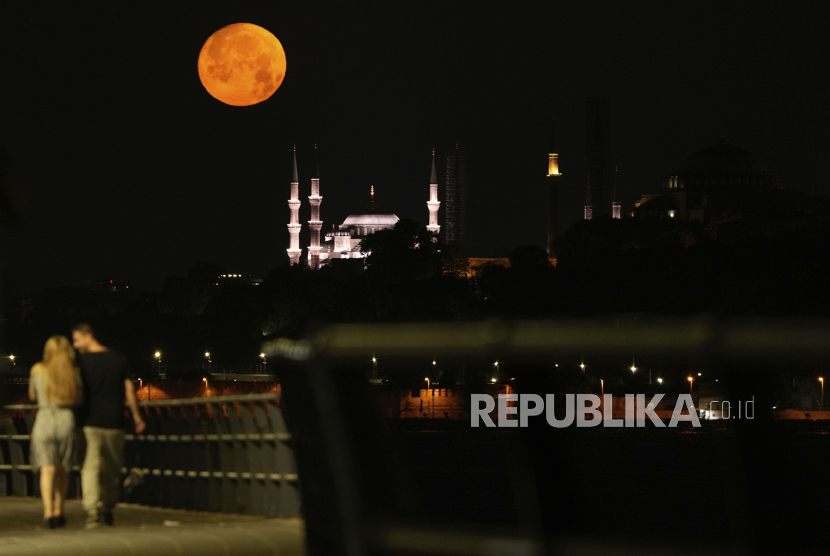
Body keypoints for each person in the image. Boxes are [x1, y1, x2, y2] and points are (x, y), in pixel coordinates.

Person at [71, 323, 145, 529]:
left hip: (88, 423)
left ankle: (93, 512)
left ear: (88, 336)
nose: (75, 345)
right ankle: (108, 507)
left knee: (90, 468)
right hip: (114, 422)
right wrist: (137, 416)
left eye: (77, 339)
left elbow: (77, 392)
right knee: (113, 468)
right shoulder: (118, 358)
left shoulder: (81, 362)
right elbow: (129, 390)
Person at [29, 336, 82, 529]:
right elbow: (78, 398)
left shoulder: (37, 369)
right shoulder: (72, 370)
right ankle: (60, 510)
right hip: (66, 419)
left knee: (47, 469)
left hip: (44, 420)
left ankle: (48, 512)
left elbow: (33, 395)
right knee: (63, 468)